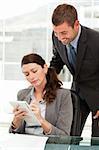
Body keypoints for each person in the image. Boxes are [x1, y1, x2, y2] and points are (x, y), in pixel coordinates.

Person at [50, 3, 99, 137]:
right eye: (56, 32)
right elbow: (57, 60)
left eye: (64, 33)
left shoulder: (96, 40)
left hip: (97, 94)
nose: (60, 38)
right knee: (69, 136)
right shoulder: (56, 37)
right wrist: (47, 79)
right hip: (76, 94)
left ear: (76, 24)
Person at [9, 53, 73, 135]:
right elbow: (14, 133)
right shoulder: (22, 94)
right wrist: (16, 122)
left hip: (47, 144)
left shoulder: (63, 95)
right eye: (27, 74)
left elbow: (64, 136)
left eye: (34, 71)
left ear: (45, 68)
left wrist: (40, 119)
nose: (31, 77)